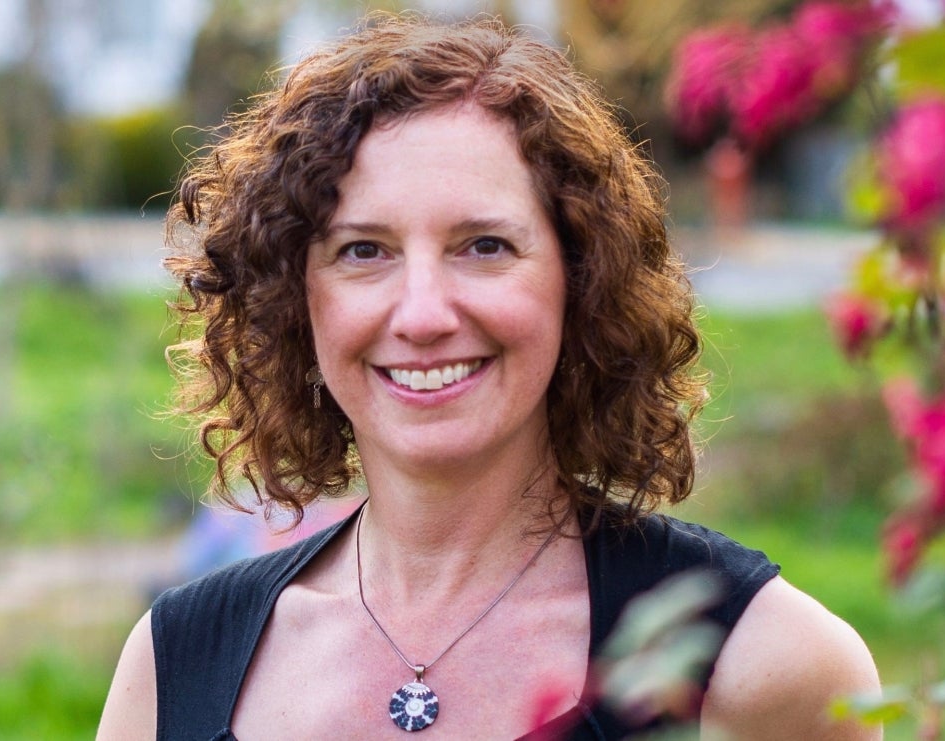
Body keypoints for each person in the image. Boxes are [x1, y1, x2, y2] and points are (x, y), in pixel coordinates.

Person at [98, 13, 881, 740]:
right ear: (293, 301)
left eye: (484, 246)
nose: (424, 313)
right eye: (363, 250)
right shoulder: (172, 668)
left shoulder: (763, 665)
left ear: (580, 281)